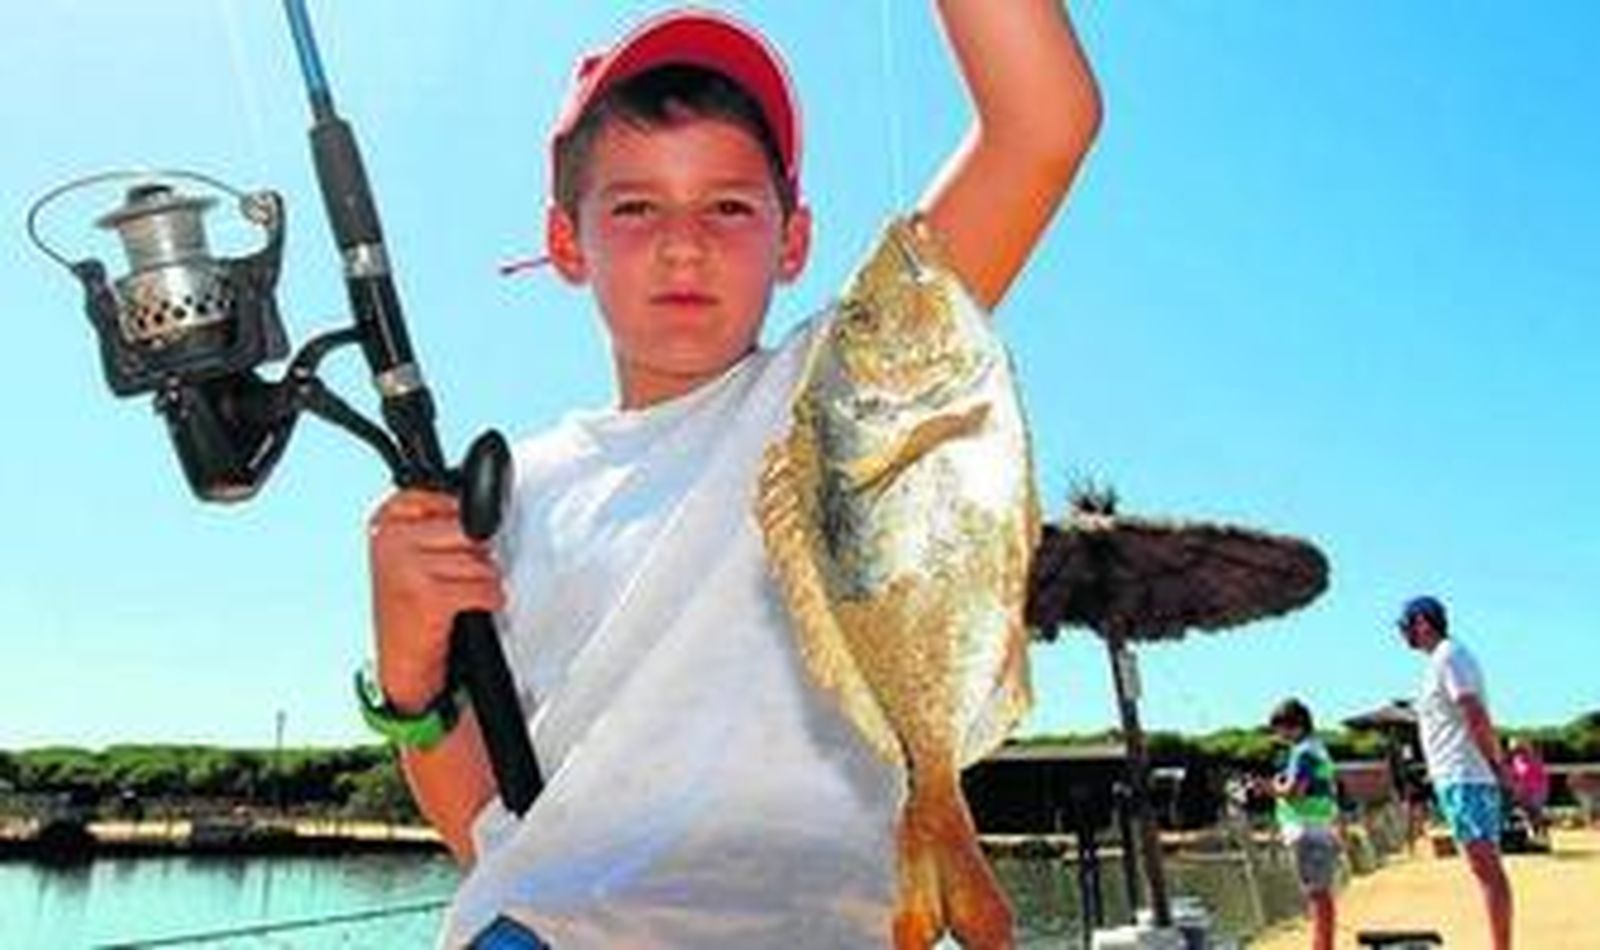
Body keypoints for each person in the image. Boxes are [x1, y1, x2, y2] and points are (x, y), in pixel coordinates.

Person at [366, 5, 1101, 947]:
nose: (685, 243)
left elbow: (1043, 125)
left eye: (729, 206)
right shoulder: (506, 493)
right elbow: (486, 831)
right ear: (566, 242)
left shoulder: (844, 385)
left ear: (792, 240)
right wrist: (411, 680)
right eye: (635, 207)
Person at [1396, 594, 1514, 950]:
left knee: (1486, 870)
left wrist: (1496, 764)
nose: (1402, 633)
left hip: (1467, 776)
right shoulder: (1441, 660)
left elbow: (1473, 711)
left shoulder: (1450, 655)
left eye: (1404, 625)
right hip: (1457, 777)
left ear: (1422, 623)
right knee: (1483, 869)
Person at [1256, 698, 1339, 950]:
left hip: (1306, 829)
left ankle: (1322, 946)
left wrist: (1269, 788)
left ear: (1295, 725)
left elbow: (1296, 791)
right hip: (1319, 826)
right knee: (1320, 892)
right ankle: (1323, 944)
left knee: (1317, 894)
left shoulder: (1304, 753)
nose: (1278, 735)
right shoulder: (1316, 749)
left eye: (1280, 728)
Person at [1506, 737, 1550, 838]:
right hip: (1521, 792)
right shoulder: (1515, 761)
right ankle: (1531, 831)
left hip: (1535, 792)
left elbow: (1541, 778)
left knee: (1533, 811)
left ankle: (1537, 831)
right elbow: (1514, 777)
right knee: (1525, 812)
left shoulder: (1534, 760)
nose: (1518, 752)